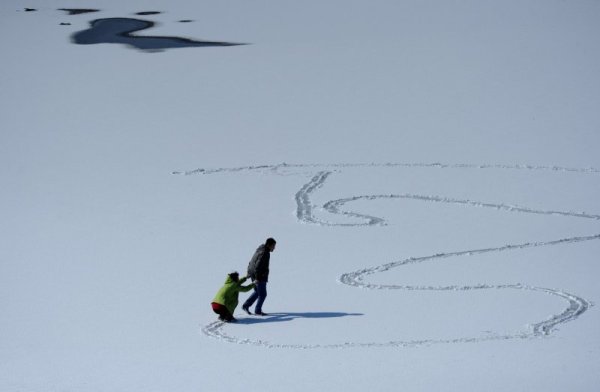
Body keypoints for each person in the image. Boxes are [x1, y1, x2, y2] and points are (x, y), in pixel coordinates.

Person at [242, 238, 276, 316]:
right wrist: (257, 277)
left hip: (253, 273)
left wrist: (249, 273)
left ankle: (246, 305)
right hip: (259, 275)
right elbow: (258, 265)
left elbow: (251, 261)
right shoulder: (264, 252)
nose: (274, 248)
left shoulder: (260, 249)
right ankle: (257, 311)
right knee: (263, 294)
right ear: (269, 245)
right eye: (273, 246)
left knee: (257, 292)